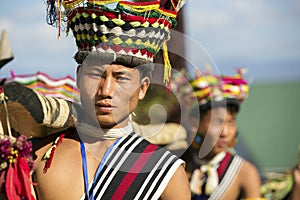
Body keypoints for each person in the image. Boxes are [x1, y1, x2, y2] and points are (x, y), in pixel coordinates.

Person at [7, 0, 190, 199]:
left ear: (142, 88)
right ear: (78, 76)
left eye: (120, 78)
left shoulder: (165, 173)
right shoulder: (38, 157)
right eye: (95, 74)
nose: (106, 90)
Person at [178, 69, 263, 199]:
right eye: (217, 122)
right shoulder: (178, 165)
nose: (225, 132)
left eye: (231, 122)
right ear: (195, 123)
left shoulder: (245, 173)